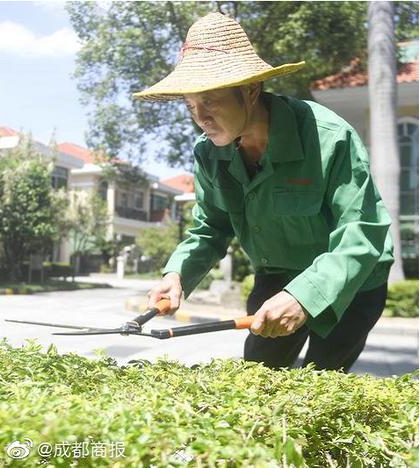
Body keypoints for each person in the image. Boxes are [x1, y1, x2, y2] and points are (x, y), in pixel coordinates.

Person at [136, 12, 394, 372]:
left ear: (251, 90)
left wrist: (304, 297)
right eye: (191, 106)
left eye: (210, 100)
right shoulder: (208, 152)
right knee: (258, 374)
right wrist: (176, 274)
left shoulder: (329, 137)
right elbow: (210, 227)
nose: (201, 117)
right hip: (277, 274)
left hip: (351, 282)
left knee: (323, 382)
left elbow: (361, 233)